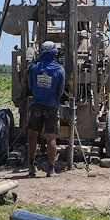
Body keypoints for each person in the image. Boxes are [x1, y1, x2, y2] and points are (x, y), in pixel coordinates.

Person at [27, 41, 65, 177]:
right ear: (54, 53)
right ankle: (51, 169)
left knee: (32, 135)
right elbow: (60, 92)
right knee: (51, 138)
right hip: (52, 106)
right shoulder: (60, 70)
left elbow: (30, 86)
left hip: (36, 105)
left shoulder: (33, 68)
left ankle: (31, 166)